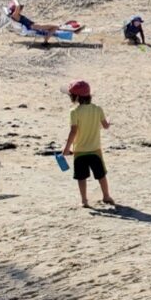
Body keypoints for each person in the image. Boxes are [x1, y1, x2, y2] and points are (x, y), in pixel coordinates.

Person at [62, 80, 114, 209]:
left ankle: (84, 200)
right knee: (101, 175)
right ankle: (106, 196)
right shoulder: (97, 109)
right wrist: (109, 121)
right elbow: (106, 126)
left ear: (77, 97)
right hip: (95, 150)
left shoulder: (74, 112)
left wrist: (66, 148)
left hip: (79, 151)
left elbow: (73, 131)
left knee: (81, 177)